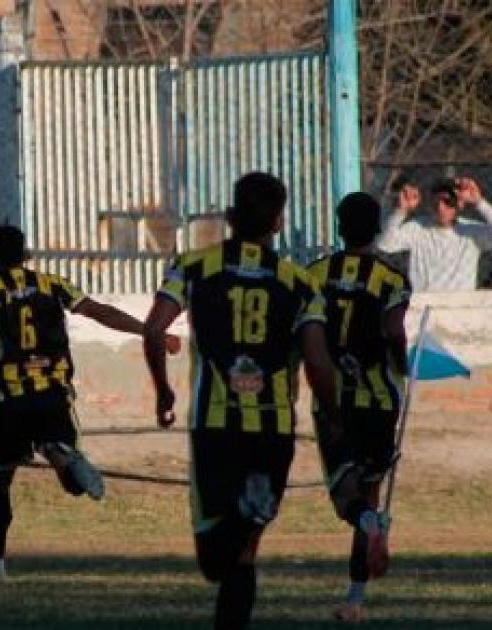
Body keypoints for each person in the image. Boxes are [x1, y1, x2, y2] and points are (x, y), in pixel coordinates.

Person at [0, 225, 178, 585]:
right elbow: (99, 311)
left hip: (7, 400)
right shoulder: (53, 284)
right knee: (73, 485)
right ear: (25, 254)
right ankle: (58, 451)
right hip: (53, 394)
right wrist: (151, 332)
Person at [143, 172, 343, 630]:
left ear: (230, 217)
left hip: (214, 424)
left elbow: (154, 330)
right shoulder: (300, 283)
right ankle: (244, 516)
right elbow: (317, 360)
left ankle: (235, 520)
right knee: (243, 552)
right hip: (272, 426)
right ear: (278, 222)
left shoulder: (193, 266)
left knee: (213, 561)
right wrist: (333, 415)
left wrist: (164, 391)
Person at [307, 192, 411, 622]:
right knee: (368, 489)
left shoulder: (315, 274)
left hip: (334, 399)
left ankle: (369, 521)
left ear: (339, 227)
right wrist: (402, 364)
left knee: (344, 496)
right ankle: (353, 600)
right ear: (377, 227)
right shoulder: (392, 278)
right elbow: (394, 330)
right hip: (379, 398)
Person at [377, 176, 492, 291]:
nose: (441, 207)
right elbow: (385, 244)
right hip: (423, 303)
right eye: (436, 202)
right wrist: (401, 211)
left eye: (448, 202)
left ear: (460, 204)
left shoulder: (470, 231)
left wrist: (479, 202)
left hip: (458, 306)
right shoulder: (418, 228)